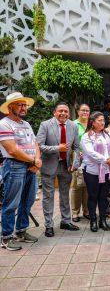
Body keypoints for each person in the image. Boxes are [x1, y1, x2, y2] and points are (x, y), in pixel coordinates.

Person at [0, 92, 41, 251]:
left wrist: (37, 161)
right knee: (12, 203)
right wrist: (33, 161)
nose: (24, 108)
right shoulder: (4, 124)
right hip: (15, 166)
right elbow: (12, 149)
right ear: (10, 107)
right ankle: (6, 237)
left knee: (28, 200)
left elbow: (35, 143)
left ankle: (21, 231)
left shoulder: (26, 124)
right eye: (20, 105)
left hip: (30, 166)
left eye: (25, 105)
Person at [37, 102, 80, 237]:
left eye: (66, 111)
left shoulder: (73, 126)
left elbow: (76, 148)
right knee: (48, 196)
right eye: (60, 111)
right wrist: (57, 148)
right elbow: (39, 146)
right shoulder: (45, 125)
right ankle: (49, 225)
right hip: (49, 165)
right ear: (54, 112)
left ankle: (66, 221)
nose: (63, 114)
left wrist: (75, 163)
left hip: (65, 166)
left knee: (64, 195)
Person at [81, 112, 110, 232]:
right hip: (92, 171)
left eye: (103, 120)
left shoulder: (107, 135)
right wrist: (106, 160)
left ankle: (103, 220)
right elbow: (90, 153)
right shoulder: (87, 136)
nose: (102, 123)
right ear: (92, 122)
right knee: (93, 196)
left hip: (106, 170)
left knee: (103, 197)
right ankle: (93, 220)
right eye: (99, 120)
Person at [71, 104, 90, 222]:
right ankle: (75, 212)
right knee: (76, 185)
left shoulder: (92, 123)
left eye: (87, 110)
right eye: (83, 110)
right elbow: (70, 142)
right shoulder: (73, 124)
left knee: (88, 185)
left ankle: (86, 210)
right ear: (78, 112)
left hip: (90, 158)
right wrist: (78, 153)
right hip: (77, 157)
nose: (85, 112)